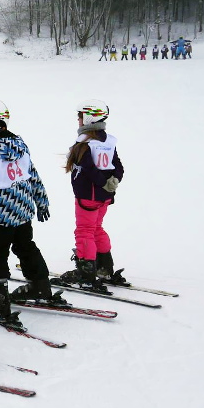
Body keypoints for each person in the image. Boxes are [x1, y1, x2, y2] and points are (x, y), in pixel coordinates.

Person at [0, 100, 61, 324]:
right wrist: (41, 200)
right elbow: (33, 174)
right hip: (24, 209)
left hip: (0, 214)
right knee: (26, 247)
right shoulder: (20, 145)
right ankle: (40, 286)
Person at [57, 100, 127, 292]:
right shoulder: (108, 141)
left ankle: (86, 272)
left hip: (88, 196)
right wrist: (113, 180)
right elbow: (118, 165)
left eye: (80, 116)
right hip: (103, 197)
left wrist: (104, 182)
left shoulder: (85, 143)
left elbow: (88, 168)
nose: (78, 120)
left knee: (84, 231)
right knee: (96, 228)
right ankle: (105, 267)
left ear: (89, 117)